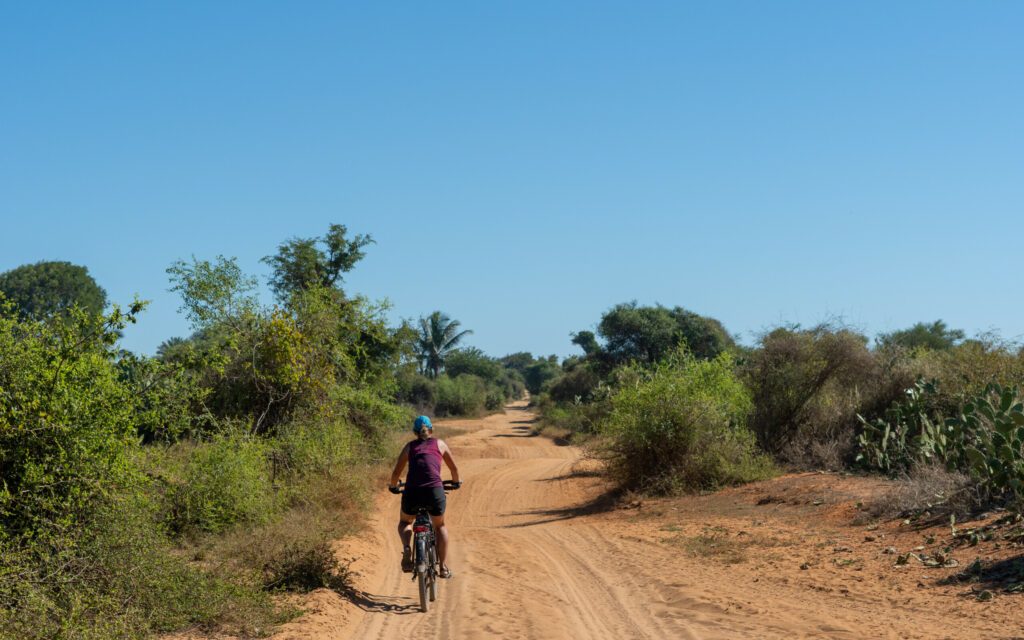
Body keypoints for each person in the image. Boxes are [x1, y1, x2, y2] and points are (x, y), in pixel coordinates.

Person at [389, 415, 460, 578]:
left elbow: (396, 473)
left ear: (415, 432)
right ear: (431, 430)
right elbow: (454, 469)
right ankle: (442, 567)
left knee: (405, 522)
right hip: (434, 491)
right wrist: (456, 482)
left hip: (412, 492)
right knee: (440, 526)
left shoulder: (409, 447)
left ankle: (407, 546)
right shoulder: (440, 444)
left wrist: (393, 486)